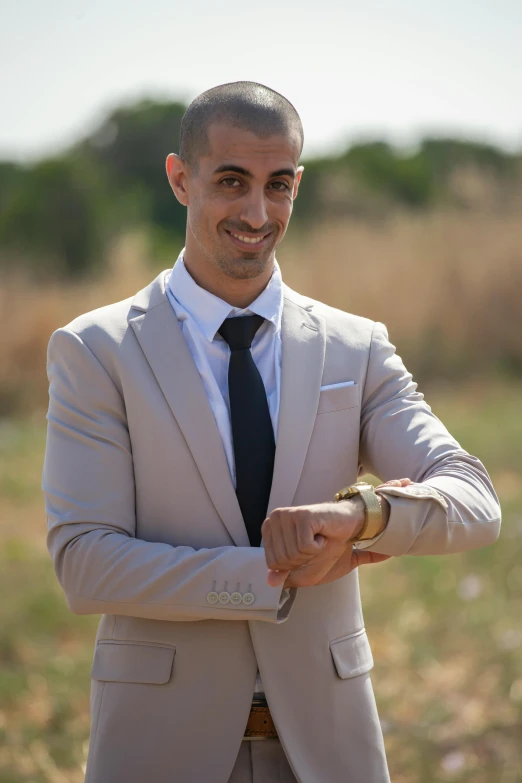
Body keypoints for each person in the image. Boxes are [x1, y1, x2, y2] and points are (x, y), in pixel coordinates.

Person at [42, 81, 501, 783]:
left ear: (297, 185)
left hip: (330, 748)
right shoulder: (94, 350)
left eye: (278, 184)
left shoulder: (357, 346)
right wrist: (270, 575)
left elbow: (475, 500)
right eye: (232, 181)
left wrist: (364, 514)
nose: (257, 212)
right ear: (179, 178)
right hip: (159, 749)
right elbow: (86, 561)